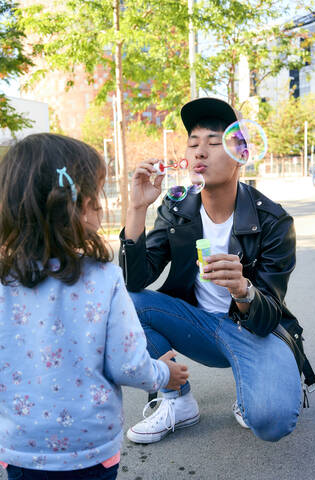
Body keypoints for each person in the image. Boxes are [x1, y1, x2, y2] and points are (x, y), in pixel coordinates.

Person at [119, 97, 315, 445]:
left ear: (241, 154)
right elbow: (135, 281)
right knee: (126, 300)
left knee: (270, 420)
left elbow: (268, 313)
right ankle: (177, 400)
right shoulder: (177, 208)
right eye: (193, 143)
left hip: (253, 330)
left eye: (214, 143)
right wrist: (136, 209)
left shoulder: (273, 220)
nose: (199, 152)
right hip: (198, 325)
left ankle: (254, 389)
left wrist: (244, 290)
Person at [0, 133, 189, 480]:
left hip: (19, 449)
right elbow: (127, 364)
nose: (102, 206)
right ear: (81, 206)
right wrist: (164, 373)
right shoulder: (103, 278)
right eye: (97, 196)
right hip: (89, 449)